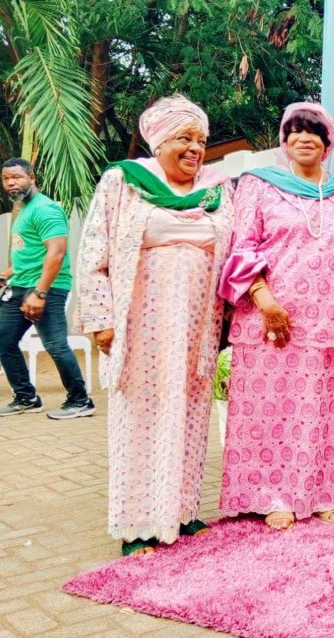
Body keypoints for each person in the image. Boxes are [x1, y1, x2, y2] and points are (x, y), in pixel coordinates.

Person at [74, 95, 234, 555]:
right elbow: (93, 253)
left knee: (190, 415)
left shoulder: (217, 190)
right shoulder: (123, 181)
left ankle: (181, 511)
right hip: (141, 326)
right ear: (159, 141)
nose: (195, 148)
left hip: (196, 327)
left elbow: (234, 255)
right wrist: (101, 320)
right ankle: (137, 524)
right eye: (184, 138)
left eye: (201, 139)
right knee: (139, 418)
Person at [218, 102, 334, 531]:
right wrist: (265, 301)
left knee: (323, 410)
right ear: (284, 140)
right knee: (270, 411)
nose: (303, 138)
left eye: (313, 131)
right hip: (270, 318)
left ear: (328, 143)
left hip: (329, 319)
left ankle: (322, 494)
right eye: (294, 131)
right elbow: (242, 246)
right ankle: (271, 495)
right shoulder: (259, 186)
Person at [0, 158, 94, 419]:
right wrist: (6, 274)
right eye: (6, 178)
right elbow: (30, 254)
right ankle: (26, 398)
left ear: (31, 178)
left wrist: (40, 292)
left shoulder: (46, 209)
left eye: (16, 177)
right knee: (4, 341)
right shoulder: (24, 209)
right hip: (20, 286)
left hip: (46, 288)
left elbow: (57, 252)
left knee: (55, 344)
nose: (10, 183)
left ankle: (80, 400)